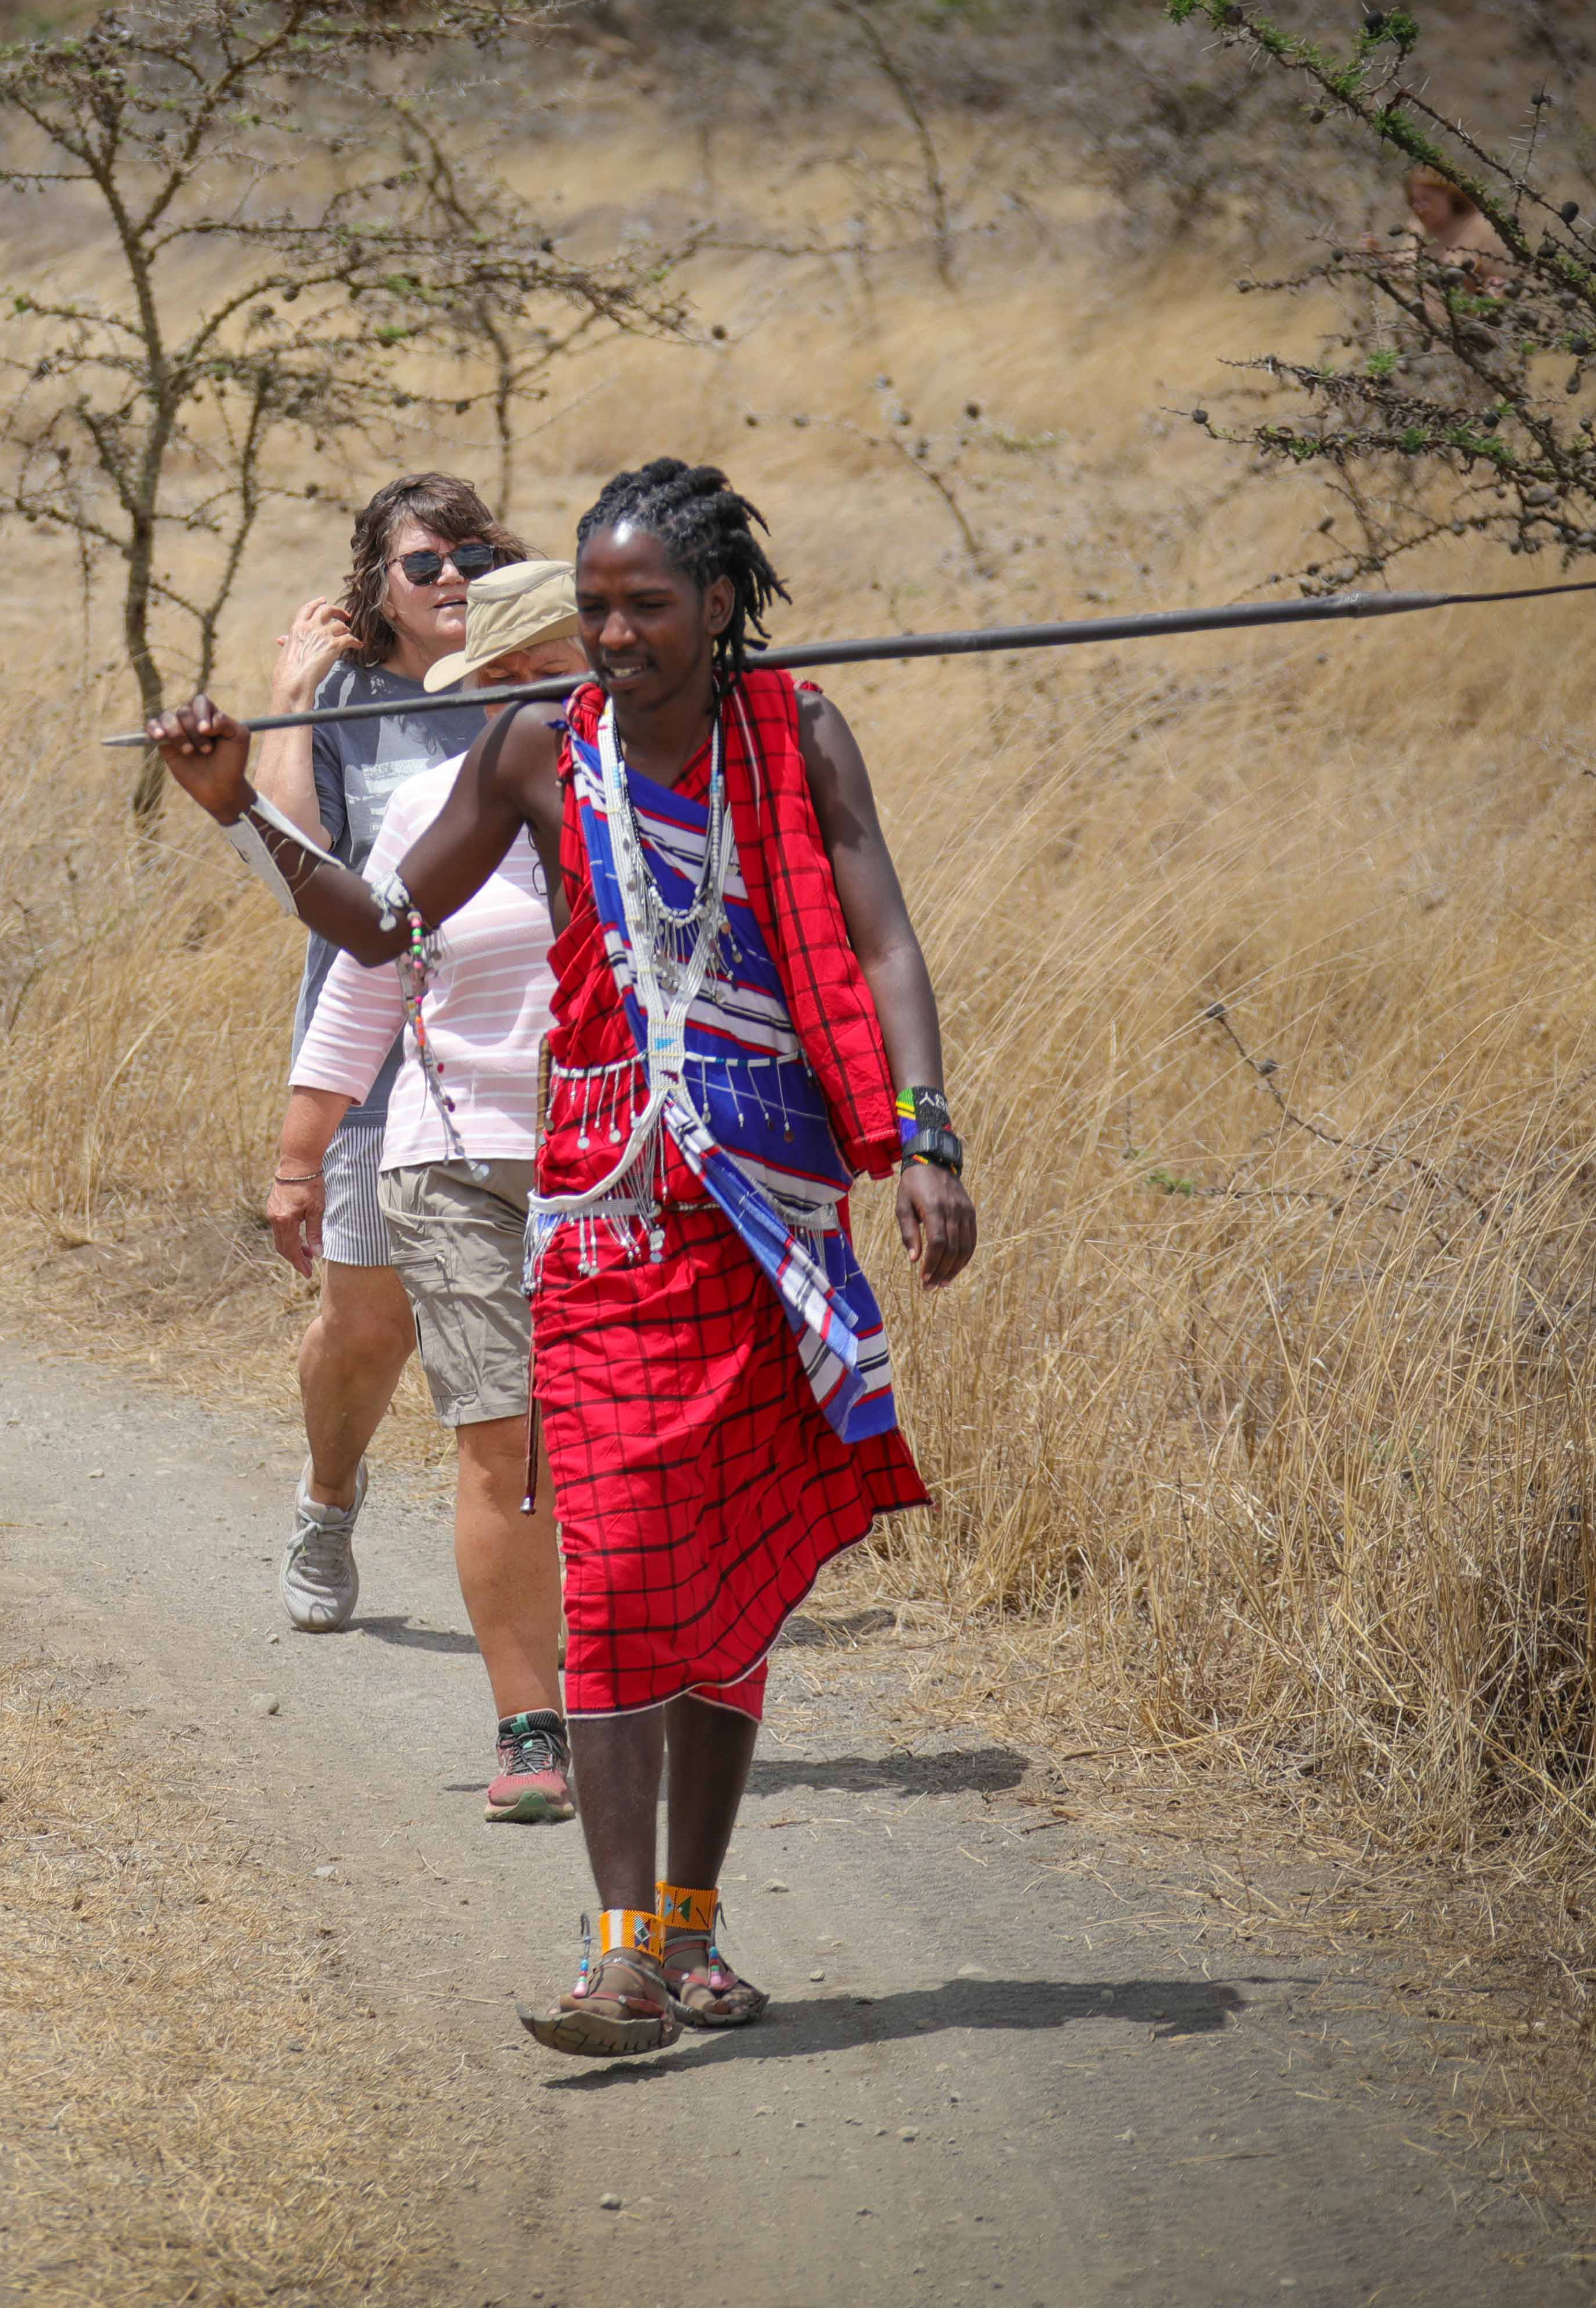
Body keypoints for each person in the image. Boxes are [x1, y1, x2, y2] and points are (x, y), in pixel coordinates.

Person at [144, 458, 978, 2061]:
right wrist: (239, 807)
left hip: (767, 1211)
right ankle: (616, 1957)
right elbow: (379, 927)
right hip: (597, 1220)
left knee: (718, 1579)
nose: (615, 635)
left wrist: (926, 1137)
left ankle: (690, 1930)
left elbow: (882, 936)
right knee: (619, 1565)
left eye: (646, 606)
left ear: (718, 605)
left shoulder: (796, 736)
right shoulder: (539, 746)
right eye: (595, 608)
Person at [283, 560, 587, 1825]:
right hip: (456, 1153)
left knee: (614, 1442)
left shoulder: (664, 795)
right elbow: (368, 974)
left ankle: (634, 1691)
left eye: (552, 667)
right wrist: (301, 1152)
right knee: (504, 1438)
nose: (531, 694)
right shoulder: (429, 805)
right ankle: (532, 1725)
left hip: (624, 1160)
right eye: (502, 677)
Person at [242, 473, 522, 1634]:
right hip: (373, 1048)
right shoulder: (348, 696)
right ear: (380, 586)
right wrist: (292, 703)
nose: (452, 576)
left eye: (471, 555)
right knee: (371, 1327)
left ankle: (549, 1575)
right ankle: (329, 1496)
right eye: (423, 563)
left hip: (515, 1051)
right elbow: (291, 866)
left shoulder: (530, 677)